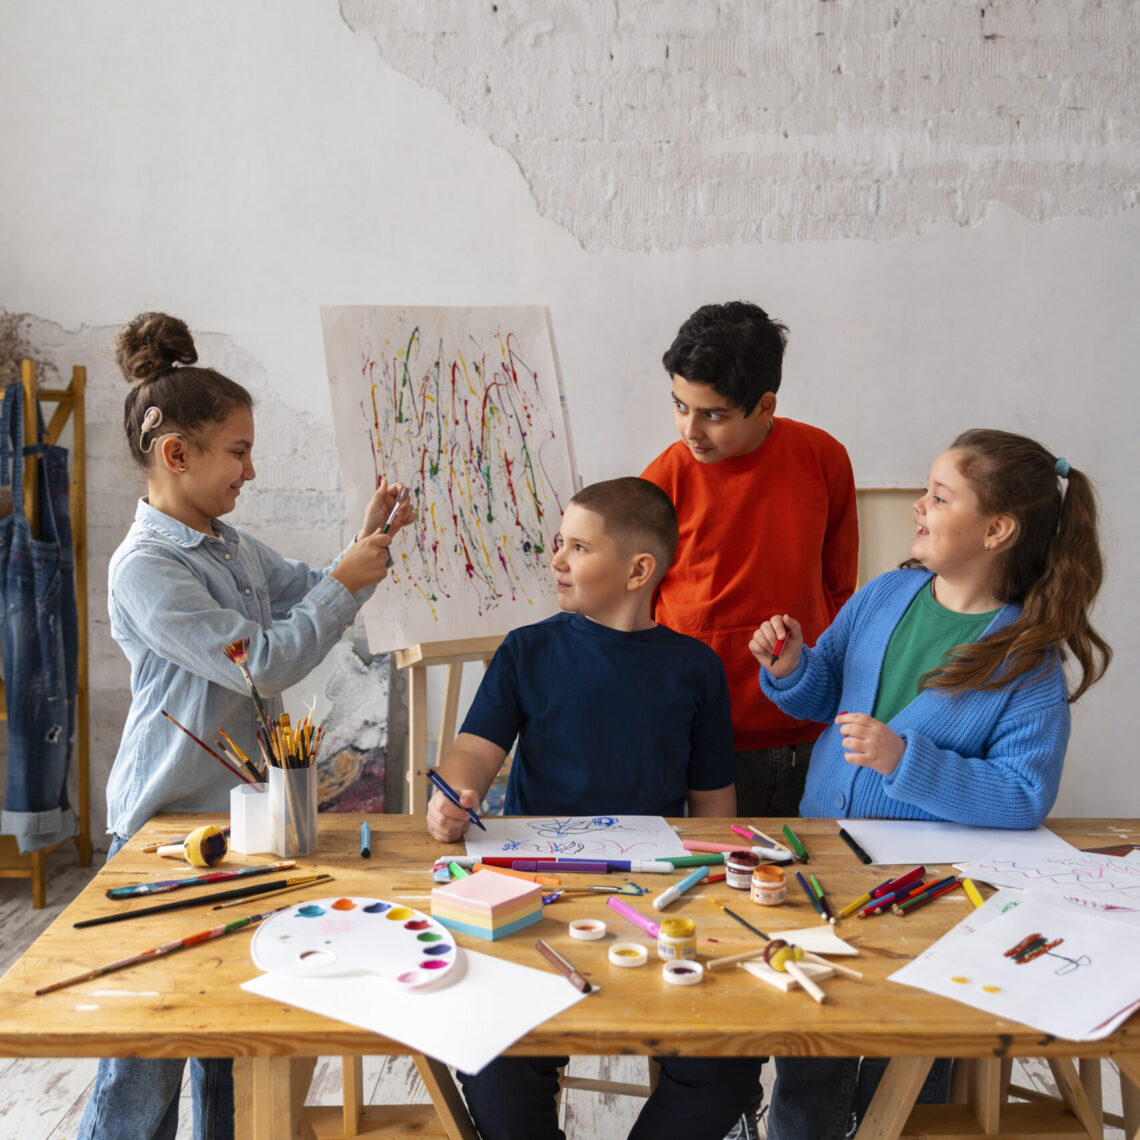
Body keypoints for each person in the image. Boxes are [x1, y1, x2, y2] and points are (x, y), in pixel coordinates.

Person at [78, 312, 414, 1140]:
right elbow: (262, 663)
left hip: (240, 820)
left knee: (232, 1035)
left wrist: (362, 548)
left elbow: (309, 586)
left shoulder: (227, 544)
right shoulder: (147, 568)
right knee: (151, 1041)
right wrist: (344, 581)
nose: (252, 470)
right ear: (176, 454)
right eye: (238, 452)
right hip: (165, 825)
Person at [748, 428, 1111, 1140]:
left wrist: (904, 761)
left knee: (908, 1063)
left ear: (996, 530)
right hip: (822, 862)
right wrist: (792, 668)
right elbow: (826, 694)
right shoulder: (887, 594)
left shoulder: (1024, 659)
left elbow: (1022, 795)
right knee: (811, 1046)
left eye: (940, 497)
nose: (919, 505)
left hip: (925, 895)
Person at [426, 476, 762, 1140]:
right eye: (560, 542)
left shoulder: (695, 668)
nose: (556, 558)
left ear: (638, 571)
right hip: (532, 899)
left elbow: (714, 811)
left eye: (578, 547)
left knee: (729, 1067)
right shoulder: (527, 650)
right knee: (495, 1064)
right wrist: (453, 798)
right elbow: (470, 756)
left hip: (656, 900)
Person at [641, 301, 858, 820]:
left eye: (712, 414)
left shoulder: (823, 458)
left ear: (764, 407)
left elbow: (839, 588)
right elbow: (637, 609)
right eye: (680, 406)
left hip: (801, 723)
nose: (690, 430)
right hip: (691, 726)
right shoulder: (662, 479)